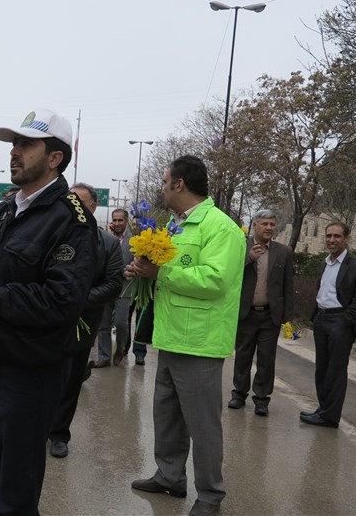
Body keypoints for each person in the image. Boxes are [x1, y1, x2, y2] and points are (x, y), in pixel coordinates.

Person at [0, 108, 97, 515]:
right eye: (13, 144)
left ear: (54, 157)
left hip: (33, 371)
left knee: (16, 487)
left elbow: (61, 301)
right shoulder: (6, 211)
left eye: (25, 144)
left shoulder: (71, 221)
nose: (13, 152)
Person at [127, 155, 245, 516]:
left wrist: (159, 274)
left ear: (179, 184)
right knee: (167, 416)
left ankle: (210, 495)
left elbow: (214, 280)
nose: (163, 188)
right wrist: (142, 271)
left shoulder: (219, 227)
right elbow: (166, 271)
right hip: (170, 335)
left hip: (201, 342)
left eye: (165, 182)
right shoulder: (176, 226)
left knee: (203, 425)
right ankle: (170, 476)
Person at [49, 183, 122, 458]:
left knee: (71, 378)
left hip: (83, 321)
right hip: (47, 318)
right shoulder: (51, 235)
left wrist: (77, 301)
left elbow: (113, 284)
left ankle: (59, 433)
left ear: (93, 207)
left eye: (80, 202)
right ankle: (36, 426)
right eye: (69, 201)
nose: (74, 207)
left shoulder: (108, 242)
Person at [228, 209, 295, 416]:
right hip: (245, 313)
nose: (269, 228)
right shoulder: (241, 246)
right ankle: (239, 394)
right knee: (243, 356)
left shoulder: (283, 252)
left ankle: (262, 399)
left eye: (272, 225)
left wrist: (287, 317)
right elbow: (229, 273)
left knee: (267, 359)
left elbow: (288, 286)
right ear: (254, 225)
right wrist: (248, 258)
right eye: (265, 224)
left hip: (270, 315)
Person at [300, 222, 356, 428]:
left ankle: (330, 417)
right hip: (321, 319)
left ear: (346, 239)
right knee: (322, 368)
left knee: (336, 371)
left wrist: (346, 319)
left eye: (337, 236)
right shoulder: (325, 262)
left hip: (340, 322)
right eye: (328, 236)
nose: (331, 240)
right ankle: (324, 409)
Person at [92, 208, 135, 368]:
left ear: (126, 221)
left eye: (120, 220)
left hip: (124, 288)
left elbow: (138, 262)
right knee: (103, 324)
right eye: (115, 220)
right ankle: (104, 356)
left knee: (121, 323)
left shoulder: (135, 240)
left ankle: (121, 349)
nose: (117, 223)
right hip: (105, 286)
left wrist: (132, 268)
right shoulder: (104, 239)